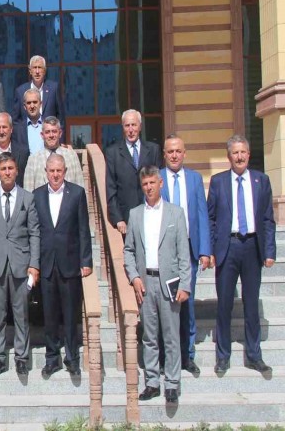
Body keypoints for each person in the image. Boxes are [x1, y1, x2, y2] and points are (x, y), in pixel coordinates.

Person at [208, 135, 276, 375]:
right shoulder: (218, 182)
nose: (239, 157)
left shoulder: (261, 180)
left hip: (252, 248)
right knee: (224, 304)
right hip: (228, 247)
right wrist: (212, 250)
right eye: (235, 153)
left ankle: (254, 356)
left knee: (251, 304)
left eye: (243, 152)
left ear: (248, 154)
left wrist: (269, 251)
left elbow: (268, 219)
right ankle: (223, 357)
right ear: (229, 156)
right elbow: (211, 219)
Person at [124, 165, 191, 404]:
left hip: (170, 282)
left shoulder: (175, 213)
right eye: (145, 184)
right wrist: (134, 277)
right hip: (146, 282)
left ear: (160, 183)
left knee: (171, 336)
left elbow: (183, 252)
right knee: (149, 336)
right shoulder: (135, 214)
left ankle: (172, 383)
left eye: (152, 183)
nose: (149, 187)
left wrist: (185, 284)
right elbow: (129, 250)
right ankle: (152, 382)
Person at [0, 152, 40, 377]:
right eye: (3, 169)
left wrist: (34, 264)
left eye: (10, 168)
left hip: (21, 265)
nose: (7, 172)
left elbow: (34, 233)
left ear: (17, 171)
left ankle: (21, 357)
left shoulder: (27, 198)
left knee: (21, 314)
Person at [33, 154, 92, 377]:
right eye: (52, 171)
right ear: (46, 172)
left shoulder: (77, 193)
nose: (55, 175)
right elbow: (34, 231)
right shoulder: (37, 195)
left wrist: (86, 261)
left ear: (65, 171)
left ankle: (72, 358)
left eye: (59, 171)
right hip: (46, 263)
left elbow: (83, 230)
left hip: (69, 263)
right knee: (49, 315)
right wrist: (34, 264)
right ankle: (51, 358)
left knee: (70, 314)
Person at [160, 134, 211, 375]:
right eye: (170, 151)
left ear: (184, 153)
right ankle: (167, 355)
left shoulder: (195, 179)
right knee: (166, 306)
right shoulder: (157, 178)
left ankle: (188, 355)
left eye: (178, 151)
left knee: (187, 303)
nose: (174, 155)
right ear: (164, 154)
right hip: (165, 252)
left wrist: (205, 250)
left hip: (189, 251)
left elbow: (202, 214)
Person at [105, 109, 161, 236]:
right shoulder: (113, 152)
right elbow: (110, 188)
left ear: (140, 126)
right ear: (123, 128)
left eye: (134, 125)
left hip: (152, 215)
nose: (131, 130)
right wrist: (118, 219)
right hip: (126, 220)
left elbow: (159, 183)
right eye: (127, 125)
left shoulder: (153, 149)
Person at [23, 116, 84, 192]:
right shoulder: (33, 160)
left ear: (60, 133)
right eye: (47, 132)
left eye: (54, 131)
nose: (51, 135)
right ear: (42, 135)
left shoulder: (72, 156)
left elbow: (80, 189)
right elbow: (28, 192)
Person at [11, 55, 65, 129]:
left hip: (49, 134)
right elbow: (15, 120)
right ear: (30, 70)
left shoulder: (54, 89)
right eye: (34, 67)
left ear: (44, 71)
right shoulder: (20, 91)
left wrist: (60, 136)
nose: (37, 71)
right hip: (28, 134)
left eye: (39, 67)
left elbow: (61, 118)